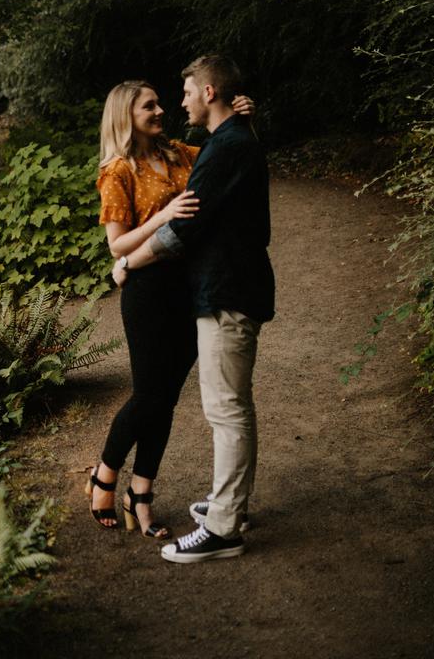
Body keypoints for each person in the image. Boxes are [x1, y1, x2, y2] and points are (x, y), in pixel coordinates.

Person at [112, 55, 275, 563]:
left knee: (225, 411)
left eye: (183, 92)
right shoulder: (225, 141)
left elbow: (184, 227)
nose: (175, 102)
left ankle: (224, 527)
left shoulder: (219, 148)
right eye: (157, 101)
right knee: (227, 408)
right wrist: (246, 113)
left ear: (208, 93)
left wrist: (129, 263)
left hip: (224, 289)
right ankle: (228, 505)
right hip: (215, 289)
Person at [86, 79, 254, 538]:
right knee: (149, 395)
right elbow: (117, 245)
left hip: (191, 287)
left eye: (161, 102)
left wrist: (240, 116)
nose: (161, 110)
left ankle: (141, 491)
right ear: (126, 114)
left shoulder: (181, 152)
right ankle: (104, 472)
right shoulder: (117, 170)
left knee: (168, 399)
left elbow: (227, 157)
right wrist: (161, 217)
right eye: (150, 105)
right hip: (147, 288)